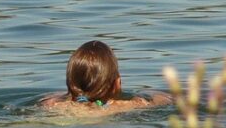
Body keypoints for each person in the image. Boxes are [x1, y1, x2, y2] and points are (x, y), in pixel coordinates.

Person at [39, 40, 172, 114]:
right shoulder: (131, 105)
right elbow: (166, 100)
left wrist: (65, 95)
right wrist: (154, 95)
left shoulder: (54, 105)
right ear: (117, 83)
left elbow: (51, 99)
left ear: (69, 82)